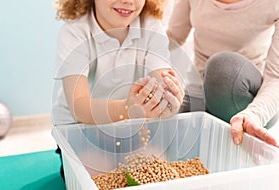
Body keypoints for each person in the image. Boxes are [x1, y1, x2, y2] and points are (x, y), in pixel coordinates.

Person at [52, 0, 185, 180]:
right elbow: (79, 108)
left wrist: (170, 98)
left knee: (155, 169)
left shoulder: (151, 27)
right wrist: (128, 109)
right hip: (83, 131)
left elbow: (163, 82)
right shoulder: (74, 33)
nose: (128, 1)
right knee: (101, 176)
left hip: (131, 130)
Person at [167, 0, 279, 147]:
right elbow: (172, 38)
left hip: (252, 102)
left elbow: (276, 76)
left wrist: (253, 114)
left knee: (222, 67)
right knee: (158, 114)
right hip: (201, 92)